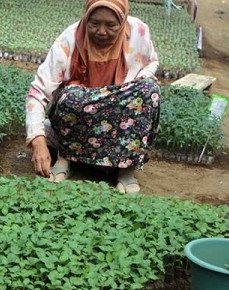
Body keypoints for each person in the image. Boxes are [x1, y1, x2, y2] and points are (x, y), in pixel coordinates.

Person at [26, 0, 160, 194]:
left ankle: (125, 169)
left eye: (111, 25)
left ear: (122, 21)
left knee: (149, 90)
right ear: (86, 17)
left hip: (119, 115)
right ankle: (66, 157)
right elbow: (38, 92)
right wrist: (38, 142)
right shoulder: (69, 38)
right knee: (70, 96)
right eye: (94, 23)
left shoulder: (138, 32)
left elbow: (152, 61)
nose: (101, 31)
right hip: (80, 111)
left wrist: (138, 81)